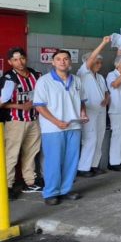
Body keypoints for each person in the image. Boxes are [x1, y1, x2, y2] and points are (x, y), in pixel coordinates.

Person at [33, 49, 88, 205]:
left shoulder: (77, 80)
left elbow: (82, 100)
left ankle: (65, 190)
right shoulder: (44, 81)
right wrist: (56, 121)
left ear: (70, 62)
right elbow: (39, 106)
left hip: (74, 126)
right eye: (58, 59)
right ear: (53, 62)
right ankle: (50, 193)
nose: (62, 61)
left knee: (71, 160)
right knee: (53, 160)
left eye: (65, 59)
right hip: (53, 128)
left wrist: (83, 113)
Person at [1, 47, 42, 199]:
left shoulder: (36, 75)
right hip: (15, 122)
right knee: (11, 155)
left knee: (31, 153)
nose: (20, 62)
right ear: (10, 62)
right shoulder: (8, 78)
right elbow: (1, 102)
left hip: (34, 119)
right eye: (16, 59)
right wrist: (19, 106)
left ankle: (30, 182)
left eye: (22, 58)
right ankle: (7, 185)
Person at [76, 36, 111, 177]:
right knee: (90, 139)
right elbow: (91, 59)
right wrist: (103, 43)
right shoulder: (83, 72)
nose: (99, 64)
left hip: (101, 111)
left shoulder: (100, 77)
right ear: (88, 62)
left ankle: (93, 165)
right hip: (88, 111)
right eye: (96, 61)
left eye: (100, 62)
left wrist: (107, 99)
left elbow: (106, 92)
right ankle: (83, 168)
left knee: (99, 137)